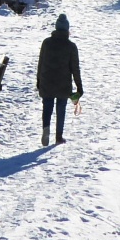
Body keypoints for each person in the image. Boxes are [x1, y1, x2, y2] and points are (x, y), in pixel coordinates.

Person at [35, 13, 84, 147]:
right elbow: (75, 69)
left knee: (47, 107)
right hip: (63, 84)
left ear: (56, 28)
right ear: (67, 30)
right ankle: (58, 136)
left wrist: (39, 80)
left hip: (47, 81)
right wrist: (79, 87)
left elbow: (41, 63)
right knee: (60, 109)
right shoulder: (71, 46)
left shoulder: (46, 43)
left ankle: (46, 129)